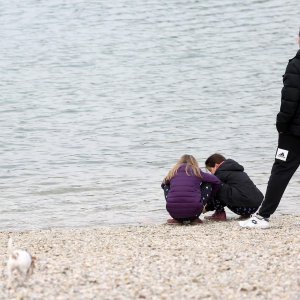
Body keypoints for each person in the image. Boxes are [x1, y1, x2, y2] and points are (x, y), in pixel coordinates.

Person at [240, 31, 300, 229]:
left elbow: (289, 102)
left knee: (281, 170)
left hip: (293, 133)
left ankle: (263, 216)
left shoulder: (296, 65)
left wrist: (281, 126)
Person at [161, 154, 221, 225]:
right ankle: (195, 218)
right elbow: (216, 181)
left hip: (173, 213)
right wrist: (211, 197)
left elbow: (163, 184)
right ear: (194, 163)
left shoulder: (173, 172)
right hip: (194, 213)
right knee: (208, 183)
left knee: (166, 186)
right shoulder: (196, 171)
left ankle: (176, 217)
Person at [204, 154, 264, 221]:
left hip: (241, 207)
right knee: (235, 189)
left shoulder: (220, 173)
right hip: (254, 206)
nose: (210, 173)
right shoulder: (238, 171)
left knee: (215, 183)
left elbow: (215, 193)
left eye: (210, 170)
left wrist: (207, 207)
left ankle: (219, 214)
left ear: (216, 165)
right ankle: (246, 215)